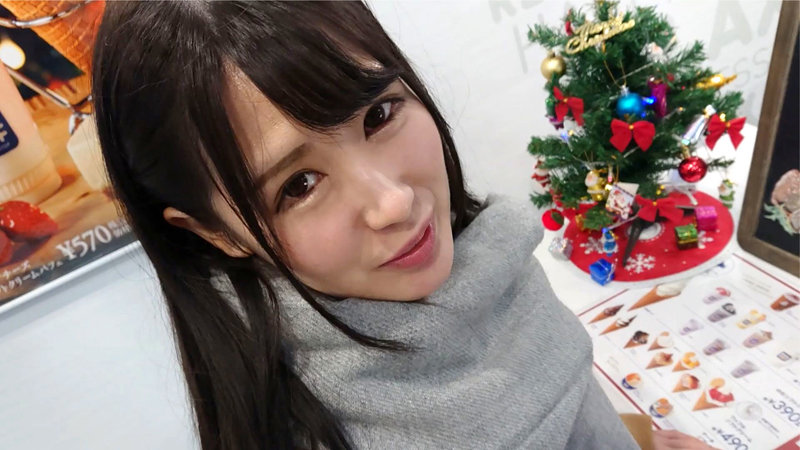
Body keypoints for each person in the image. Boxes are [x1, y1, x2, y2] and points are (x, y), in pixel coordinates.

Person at [91, 2, 714, 449]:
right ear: (215, 233)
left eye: (379, 115)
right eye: (298, 185)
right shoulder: (312, 423)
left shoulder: (490, 254)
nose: (392, 202)